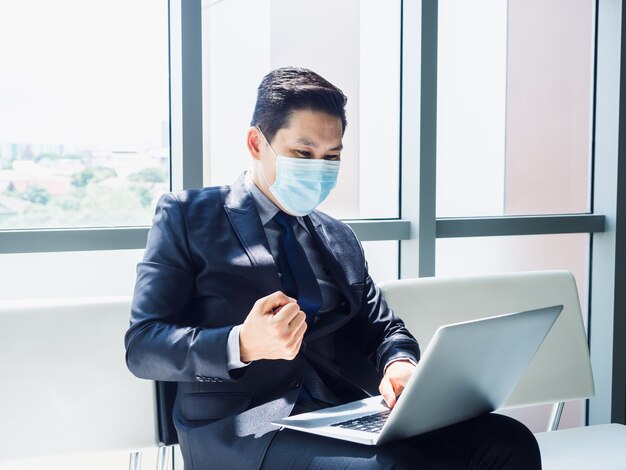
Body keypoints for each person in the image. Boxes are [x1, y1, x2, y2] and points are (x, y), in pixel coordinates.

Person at [125, 67, 541, 469]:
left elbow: (384, 329)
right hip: (241, 430)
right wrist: (241, 343)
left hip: (339, 413)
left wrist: (399, 363)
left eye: (331, 157)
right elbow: (143, 345)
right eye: (303, 153)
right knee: (390, 466)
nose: (318, 169)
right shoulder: (188, 215)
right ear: (256, 143)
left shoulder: (338, 237)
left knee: (508, 442)